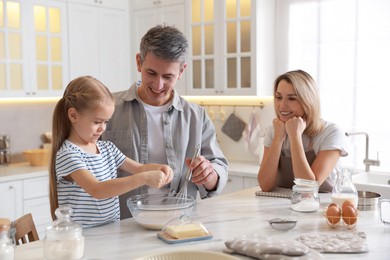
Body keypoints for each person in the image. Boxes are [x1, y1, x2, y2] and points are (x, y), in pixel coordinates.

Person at [102, 24, 228, 219]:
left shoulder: (197, 116)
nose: (158, 85)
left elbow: (218, 166)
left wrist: (210, 175)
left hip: (181, 223)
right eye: (151, 73)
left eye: (168, 76)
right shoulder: (108, 109)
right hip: (122, 225)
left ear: (181, 71)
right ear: (139, 62)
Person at [49, 76, 173, 227]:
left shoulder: (107, 148)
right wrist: (144, 178)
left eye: (106, 122)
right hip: (83, 238)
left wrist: (161, 168)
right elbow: (97, 189)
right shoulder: (68, 154)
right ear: (73, 115)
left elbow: (139, 168)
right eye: (97, 122)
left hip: (111, 232)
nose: (103, 128)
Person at [257, 70, 348, 193]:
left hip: (319, 206)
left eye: (292, 99)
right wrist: (278, 138)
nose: (282, 105)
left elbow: (308, 188)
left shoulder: (331, 132)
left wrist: (295, 136)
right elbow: (265, 186)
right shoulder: (274, 130)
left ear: (308, 101)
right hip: (280, 205)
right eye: (279, 97)